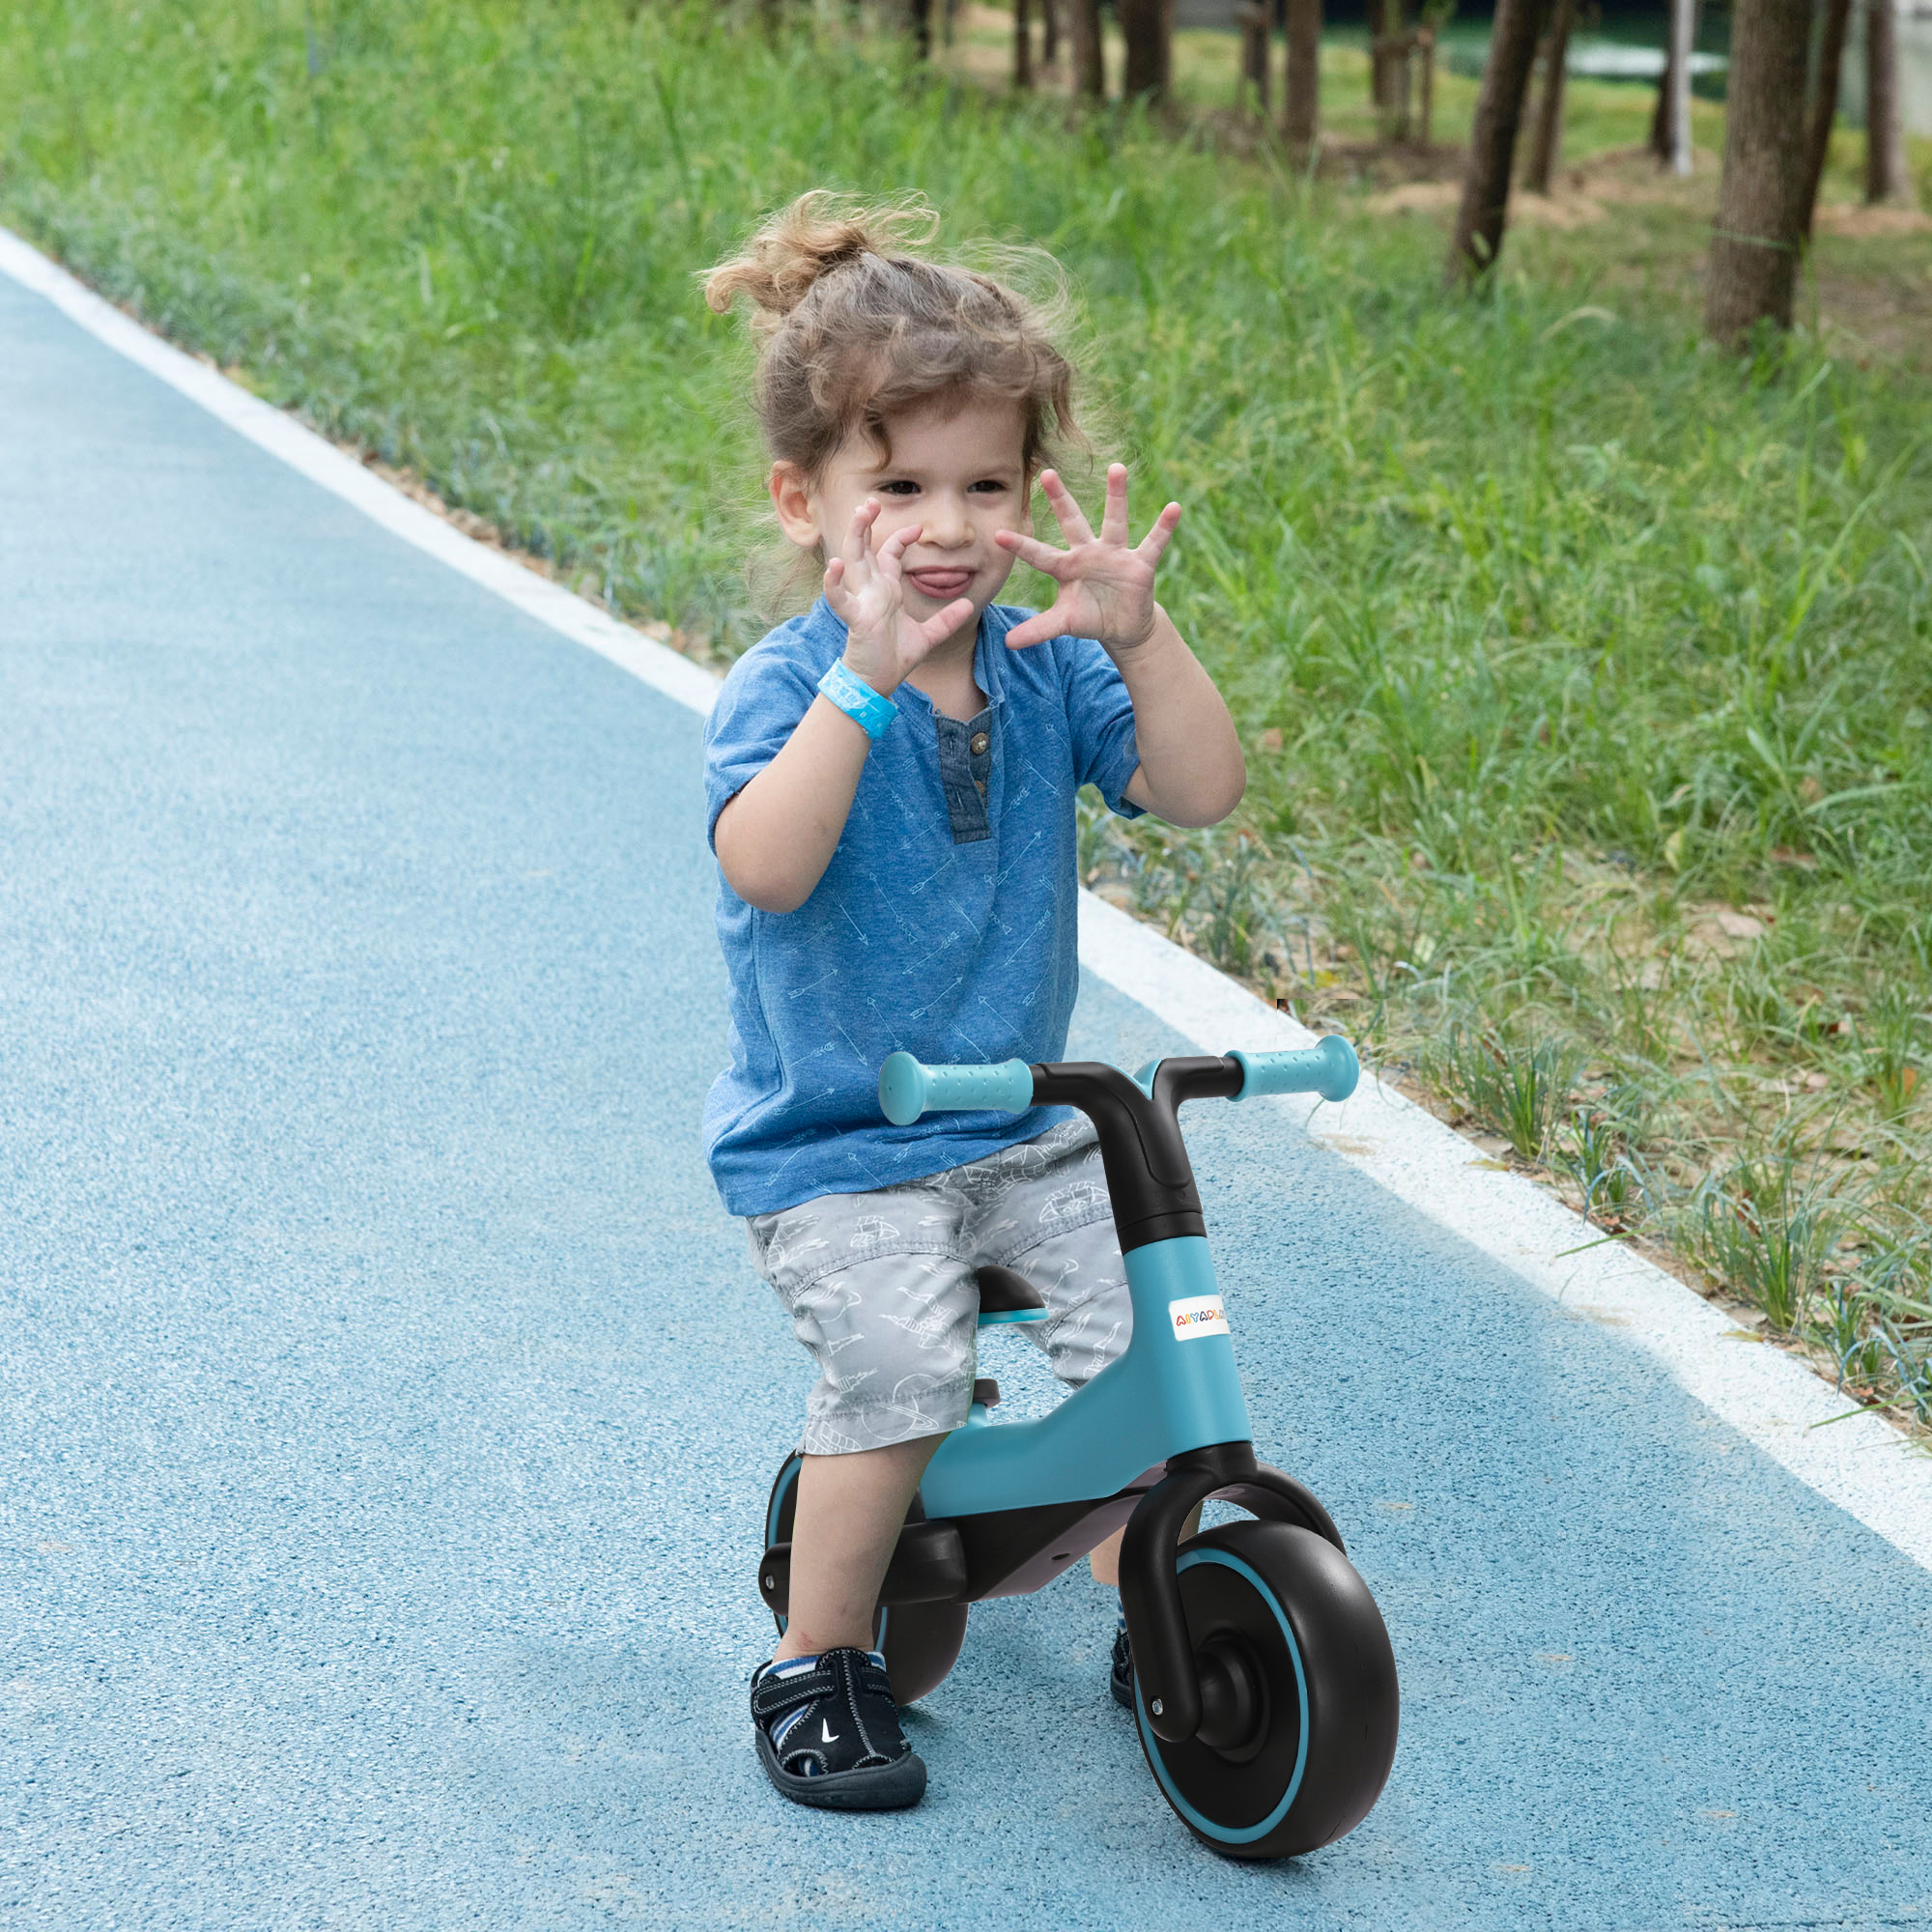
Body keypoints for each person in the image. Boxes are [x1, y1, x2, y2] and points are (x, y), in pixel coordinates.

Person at [700, 192, 1246, 1811]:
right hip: (842, 1144)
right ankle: (818, 1657)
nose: (945, 524)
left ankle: (1150, 1604)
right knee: (903, 1370)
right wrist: (863, 686)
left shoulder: (1047, 665)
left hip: (1023, 1124)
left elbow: (1201, 790)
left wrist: (1142, 643)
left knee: (1157, 1335)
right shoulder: (791, 690)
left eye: (986, 484)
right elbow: (768, 868)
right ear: (809, 503)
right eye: (901, 486)